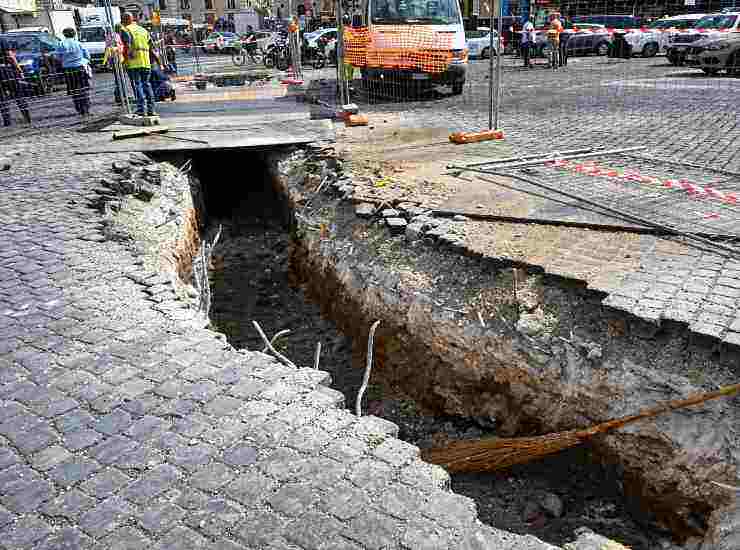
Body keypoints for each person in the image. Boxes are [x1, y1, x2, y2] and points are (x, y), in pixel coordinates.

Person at [121, 12, 160, 116]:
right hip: (146, 62)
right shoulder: (143, 30)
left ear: (125, 20)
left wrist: (125, 60)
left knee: (137, 85)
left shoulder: (125, 29)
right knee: (147, 84)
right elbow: (152, 48)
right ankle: (151, 110)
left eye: (122, 20)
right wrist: (159, 62)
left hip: (134, 63)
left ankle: (141, 109)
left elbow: (127, 46)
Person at [57, 27, 92, 116]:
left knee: (73, 89)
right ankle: (86, 108)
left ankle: (79, 108)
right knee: (83, 88)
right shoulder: (79, 43)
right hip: (79, 67)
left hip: (68, 69)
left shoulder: (61, 44)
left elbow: (58, 57)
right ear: (74, 34)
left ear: (64, 35)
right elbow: (87, 56)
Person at [0, 38, 31, 126]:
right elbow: (10, 55)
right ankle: (27, 117)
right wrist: (19, 68)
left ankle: (7, 121)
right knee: (18, 93)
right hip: (6, 70)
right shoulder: (1, 40)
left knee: (2, 98)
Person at [103, 26, 124, 104]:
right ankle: (119, 96)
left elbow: (108, 49)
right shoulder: (113, 36)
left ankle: (121, 95)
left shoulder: (112, 36)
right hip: (115, 58)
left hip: (117, 58)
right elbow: (108, 49)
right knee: (119, 78)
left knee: (120, 78)